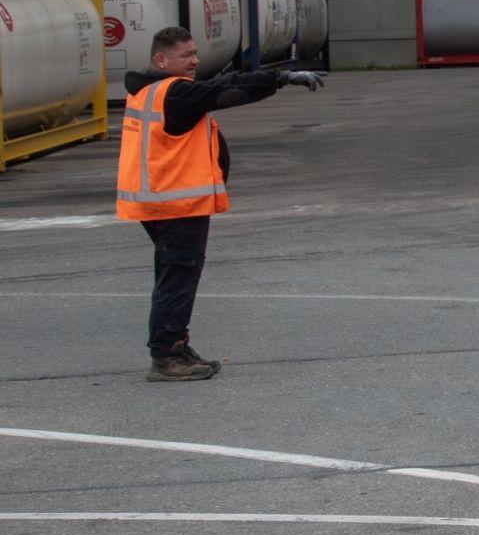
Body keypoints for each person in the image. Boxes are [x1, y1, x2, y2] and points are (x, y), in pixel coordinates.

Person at [117, 26, 325, 381]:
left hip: (161, 203)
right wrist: (282, 77)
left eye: (195, 53)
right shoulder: (175, 92)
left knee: (175, 275)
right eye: (186, 55)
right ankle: (166, 356)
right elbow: (228, 90)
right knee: (177, 278)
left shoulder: (149, 90)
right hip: (176, 204)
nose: (195, 60)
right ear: (161, 59)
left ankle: (175, 346)